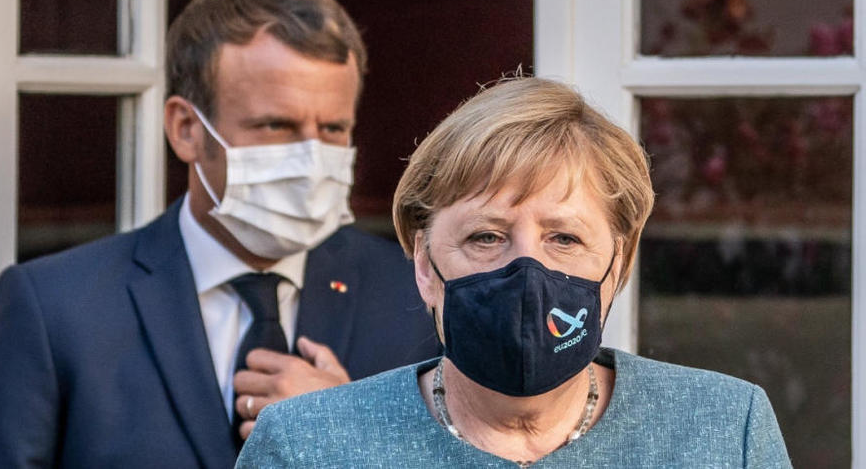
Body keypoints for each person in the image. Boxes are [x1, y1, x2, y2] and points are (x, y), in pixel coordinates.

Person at [0, 0, 438, 468]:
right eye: (276, 125)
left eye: (332, 128)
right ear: (186, 130)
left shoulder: (415, 299)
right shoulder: (56, 309)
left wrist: (351, 432)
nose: (310, 155)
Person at [236, 77, 792, 468]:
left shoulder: (722, 431)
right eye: (486, 236)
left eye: (565, 238)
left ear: (617, 265)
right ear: (425, 267)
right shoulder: (306, 445)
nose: (527, 270)